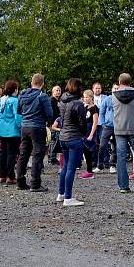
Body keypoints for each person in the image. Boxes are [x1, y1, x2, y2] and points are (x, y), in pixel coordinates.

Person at [109, 73, 134, 193]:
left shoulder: (114, 96)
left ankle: (123, 186)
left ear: (119, 82)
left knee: (121, 158)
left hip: (120, 130)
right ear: (130, 82)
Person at [16, 73, 54, 192]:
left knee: (23, 154)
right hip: (37, 126)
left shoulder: (22, 94)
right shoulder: (43, 96)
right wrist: (47, 122)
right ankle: (35, 183)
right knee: (37, 155)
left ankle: (20, 182)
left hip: (25, 126)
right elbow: (50, 114)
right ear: (42, 84)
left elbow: (19, 110)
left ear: (31, 82)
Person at [56, 78, 88, 206]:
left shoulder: (62, 101)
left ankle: (61, 193)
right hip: (74, 137)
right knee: (71, 168)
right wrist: (83, 133)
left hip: (63, 136)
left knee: (65, 166)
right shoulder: (78, 104)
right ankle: (68, 198)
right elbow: (82, 123)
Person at [0, 80, 22, 185]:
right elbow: (17, 116)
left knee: (3, 152)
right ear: (15, 90)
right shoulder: (15, 101)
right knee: (12, 154)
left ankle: (2, 175)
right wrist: (20, 126)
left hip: (2, 129)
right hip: (13, 130)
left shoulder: (1, 100)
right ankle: (10, 176)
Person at [98, 84, 119, 173]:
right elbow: (101, 113)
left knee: (116, 147)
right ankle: (100, 165)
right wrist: (103, 124)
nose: (116, 90)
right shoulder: (107, 99)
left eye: (118, 88)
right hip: (107, 126)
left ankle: (112, 165)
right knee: (102, 145)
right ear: (111, 89)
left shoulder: (122, 100)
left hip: (118, 126)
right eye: (115, 88)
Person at [79, 91, 99, 179]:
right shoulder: (84, 107)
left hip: (90, 130)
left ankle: (90, 170)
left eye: (87, 97)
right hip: (83, 130)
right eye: (84, 97)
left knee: (89, 150)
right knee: (85, 151)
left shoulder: (94, 108)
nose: (85, 99)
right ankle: (88, 169)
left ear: (91, 97)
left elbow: (95, 122)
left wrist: (91, 134)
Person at [48, 85, 62, 165]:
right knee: (53, 140)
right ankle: (52, 158)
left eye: (59, 90)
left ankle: (53, 157)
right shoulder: (51, 100)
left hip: (58, 123)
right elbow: (51, 113)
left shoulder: (58, 101)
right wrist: (51, 123)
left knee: (56, 140)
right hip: (53, 123)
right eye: (57, 90)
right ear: (53, 91)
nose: (58, 92)